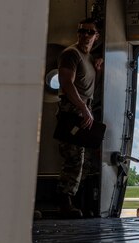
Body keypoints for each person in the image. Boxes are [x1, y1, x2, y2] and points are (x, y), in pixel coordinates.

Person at [55, 18, 102, 218]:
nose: (85, 35)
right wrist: (83, 108)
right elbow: (66, 83)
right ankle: (64, 203)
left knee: (85, 159)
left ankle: (79, 202)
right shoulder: (71, 54)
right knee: (73, 159)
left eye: (90, 32)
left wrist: (98, 68)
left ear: (96, 36)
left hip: (84, 112)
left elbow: (89, 88)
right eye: (81, 31)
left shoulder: (89, 59)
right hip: (72, 112)